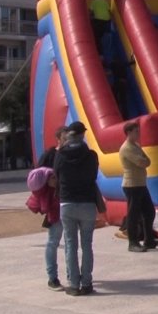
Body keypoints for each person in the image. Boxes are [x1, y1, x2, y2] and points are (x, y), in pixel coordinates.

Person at [54, 121, 99, 296]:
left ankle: (73, 284)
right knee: (87, 244)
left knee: (70, 244)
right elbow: (94, 175)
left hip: (67, 202)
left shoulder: (61, 155)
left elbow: (56, 174)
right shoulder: (91, 155)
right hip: (87, 202)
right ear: (83, 135)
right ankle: (87, 282)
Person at [119, 121, 157, 253]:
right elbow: (142, 162)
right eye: (136, 131)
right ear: (128, 133)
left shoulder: (135, 146)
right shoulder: (127, 148)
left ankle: (149, 239)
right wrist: (144, 161)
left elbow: (148, 160)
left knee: (149, 211)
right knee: (133, 214)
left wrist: (145, 161)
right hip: (132, 184)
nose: (138, 134)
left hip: (140, 183)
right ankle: (133, 242)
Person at [26, 167, 64, 291]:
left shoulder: (50, 184)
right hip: (56, 216)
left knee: (66, 244)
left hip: (64, 213)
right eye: (53, 178)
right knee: (52, 243)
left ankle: (71, 275)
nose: (55, 180)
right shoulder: (46, 191)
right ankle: (52, 278)